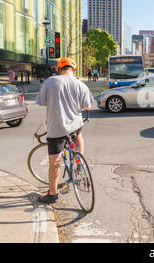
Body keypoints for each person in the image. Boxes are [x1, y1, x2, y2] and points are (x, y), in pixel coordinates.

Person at [36, 58, 95, 204]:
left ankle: (53, 193)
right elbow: (88, 107)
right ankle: (79, 161)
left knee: (54, 162)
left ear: (59, 69)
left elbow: (41, 102)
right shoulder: (80, 84)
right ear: (74, 71)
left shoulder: (50, 82)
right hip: (75, 125)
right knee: (78, 135)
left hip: (56, 128)